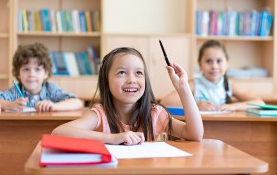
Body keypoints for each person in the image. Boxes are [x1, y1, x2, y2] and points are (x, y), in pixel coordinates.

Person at [52, 47, 203, 145]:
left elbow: (194, 134)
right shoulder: (100, 114)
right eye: (122, 73)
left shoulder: (155, 113)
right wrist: (112, 138)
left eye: (138, 73)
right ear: (106, 80)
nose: (132, 80)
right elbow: (58, 133)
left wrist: (183, 88)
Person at [160, 40, 264, 111]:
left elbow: (260, 103)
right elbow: (165, 102)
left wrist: (234, 106)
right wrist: (196, 106)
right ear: (200, 64)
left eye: (219, 61)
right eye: (208, 61)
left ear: (226, 63)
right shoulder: (194, 84)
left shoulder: (230, 85)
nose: (214, 66)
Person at [0, 42, 84, 112]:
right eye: (26, 69)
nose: (31, 74)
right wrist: (10, 105)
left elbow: (77, 102)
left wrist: (55, 106)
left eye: (37, 69)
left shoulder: (51, 90)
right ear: (18, 74)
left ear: (46, 73)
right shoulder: (14, 92)